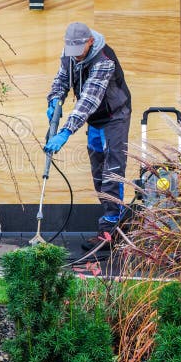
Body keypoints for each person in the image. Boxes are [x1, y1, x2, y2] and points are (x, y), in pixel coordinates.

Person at [44, 22, 132, 241]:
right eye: (71, 52)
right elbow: (62, 79)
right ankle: (114, 220)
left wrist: (65, 131)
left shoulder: (104, 60)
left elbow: (88, 100)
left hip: (114, 117)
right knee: (98, 172)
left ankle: (111, 231)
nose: (75, 57)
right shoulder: (70, 52)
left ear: (90, 42)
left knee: (112, 171)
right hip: (94, 120)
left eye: (79, 52)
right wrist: (55, 98)